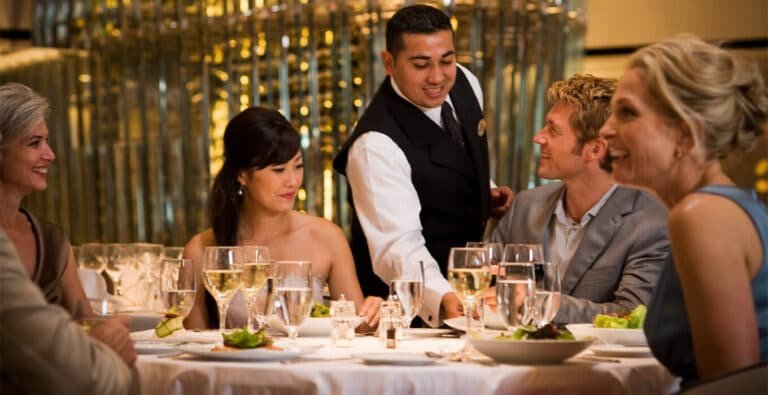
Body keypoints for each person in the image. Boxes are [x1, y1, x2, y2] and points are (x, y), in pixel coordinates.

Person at [599, 35, 767, 383]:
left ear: (685, 135)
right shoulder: (726, 206)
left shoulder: (700, 216)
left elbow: (729, 383)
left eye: (627, 112)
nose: (605, 130)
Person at [332, 4, 513, 328]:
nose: (437, 77)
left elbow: (456, 157)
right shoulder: (375, 146)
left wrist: (484, 191)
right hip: (412, 317)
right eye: (421, 64)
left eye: (447, 60)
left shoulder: (465, 83)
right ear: (389, 62)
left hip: (474, 298)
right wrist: (444, 297)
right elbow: (397, 248)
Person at [487, 74, 669, 323]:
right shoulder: (525, 206)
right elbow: (480, 282)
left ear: (595, 149)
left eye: (553, 129)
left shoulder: (652, 223)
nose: (539, 137)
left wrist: (539, 302)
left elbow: (633, 316)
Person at [185, 106, 382, 330]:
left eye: (297, 166)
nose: (292, 181)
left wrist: (373, 312)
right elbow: (194, 343)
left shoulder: (327, 237)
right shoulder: (203, 250)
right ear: (242, 175)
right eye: (278, 170)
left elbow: (355, 326)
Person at [0, 83, 89, 314]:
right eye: (34, 142)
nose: (50, 155)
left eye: (47, 141)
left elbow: (87, 323)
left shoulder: (53, 240)